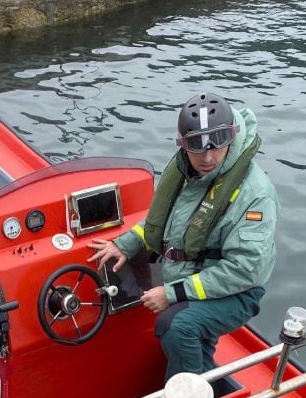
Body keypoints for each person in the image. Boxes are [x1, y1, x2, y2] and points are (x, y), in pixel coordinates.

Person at [89, 90, 277, 379]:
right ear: (182, 145)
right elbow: (163, 223)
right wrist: (125, 244)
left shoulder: (255, 195)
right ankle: (209, 389)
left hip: (236, 292)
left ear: (231, 137)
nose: (208, 158)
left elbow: (245, 270)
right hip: (190, 275)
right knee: (191, 342)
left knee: (177, 327)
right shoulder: (186, 172)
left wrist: (173, 292)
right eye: (197, 148)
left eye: (217, 147)